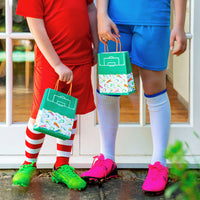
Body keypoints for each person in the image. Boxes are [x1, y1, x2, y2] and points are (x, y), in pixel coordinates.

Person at [81, 0, 187, 194]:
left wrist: (179, 25)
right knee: (108, 87)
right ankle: (107, 158)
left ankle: (159, 163)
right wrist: (102, 15)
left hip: (153, 19)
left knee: (154, 88)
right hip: (114, 18)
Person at [13, 0, 98, 191]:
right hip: (51, 60)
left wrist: (96, 43)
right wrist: (57, 63)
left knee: (68, 111)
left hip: (81, 56)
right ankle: (29, 163)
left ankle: (62, 165)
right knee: (40, 114)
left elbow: (90, 7)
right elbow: (34, 21)